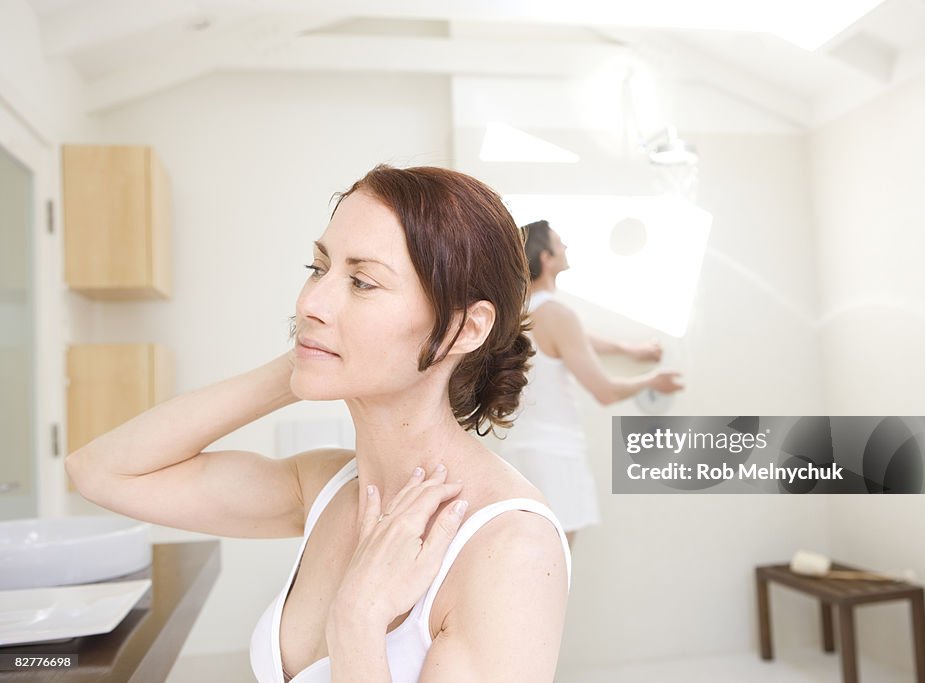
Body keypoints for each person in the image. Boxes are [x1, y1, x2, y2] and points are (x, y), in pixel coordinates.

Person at [65, 166, 571, 683]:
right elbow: (100, 472)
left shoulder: (511, 547)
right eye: (318, 267)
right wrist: (300, 367)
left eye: (362, 281)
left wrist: (357, 621)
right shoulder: (322, 489)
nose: (309, 302)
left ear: (464, 328)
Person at [500, 219, 684, 548]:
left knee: (531, 563)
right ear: (546, 258)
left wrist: (629, 349)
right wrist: (652, 381)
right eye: (560, 243)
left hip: (519, 452)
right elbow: (606, 392)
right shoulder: (558, 315)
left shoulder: (519, 314)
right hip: (555, 456)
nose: (566, 247)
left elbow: (579, 341)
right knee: (557, 566)